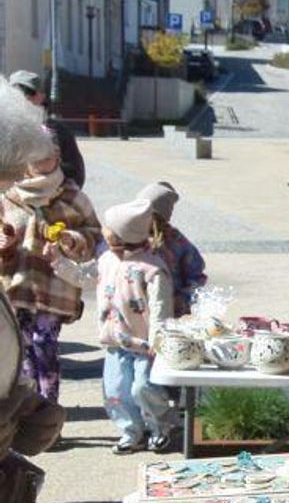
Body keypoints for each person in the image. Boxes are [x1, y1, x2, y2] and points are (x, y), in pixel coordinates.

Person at [52, 200, 175, 453]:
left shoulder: (152, 269)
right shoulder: (106, 260)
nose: (104, 231)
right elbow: (83, 276)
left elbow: (161, 307)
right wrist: (58, 262)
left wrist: (158, 339)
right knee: (115, 391)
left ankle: (160, 427)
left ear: (122, 235)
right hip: (114, 342)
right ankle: (131, 431)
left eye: (109, 228)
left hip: (144, 345)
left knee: (144, 388)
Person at [0, 122, 101, 402]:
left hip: (55, 287)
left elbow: (95, 235)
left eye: (47, 156)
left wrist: (73, 240)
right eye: (35, 158)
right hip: (15, 285)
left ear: (57, 157)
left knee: (44, 343)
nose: (41, 163)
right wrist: (5, 242)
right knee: (20, 350)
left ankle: (48, 406)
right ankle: (28, 410)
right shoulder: (8, 195)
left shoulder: (73, 197)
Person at [137, 181, 207, 317]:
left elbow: (197, 274)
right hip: (138, 309)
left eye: (144, 214)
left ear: (158, 217)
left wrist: (184, 297)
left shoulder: (176, 241)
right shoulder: (132, 237)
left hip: (169, 309)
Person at [8, 70, 85, 189]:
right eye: (15, 93)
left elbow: (77, 174)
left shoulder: (59, 131)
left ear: (42, 96)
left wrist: (47, 166)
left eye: (28, 92)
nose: (23, 97)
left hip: (49, 195)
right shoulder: (5, 131)